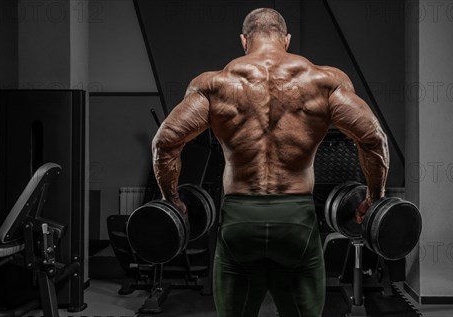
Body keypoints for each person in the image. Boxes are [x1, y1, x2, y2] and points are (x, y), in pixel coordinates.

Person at [152, 7, 389, 317]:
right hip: (296, 222)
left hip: (239, 220)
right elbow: (374, 139)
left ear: (243, 40)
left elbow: (165, 141)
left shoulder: (214, 85)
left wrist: (172, 199)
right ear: (286, 39)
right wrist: (374, 197)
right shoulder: (324, 81)